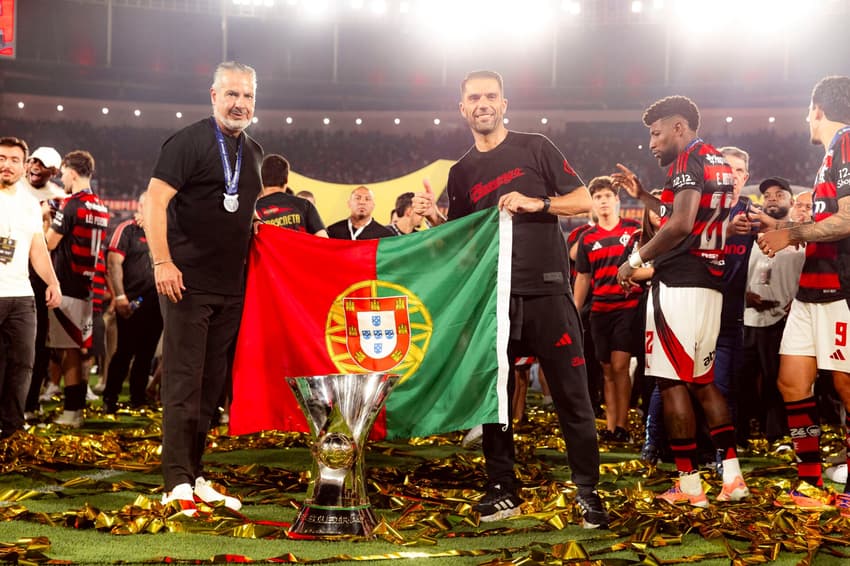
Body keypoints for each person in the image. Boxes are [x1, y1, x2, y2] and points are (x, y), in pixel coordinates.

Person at [413, 70, 609, 528]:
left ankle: (587, 492)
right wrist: (433, 218)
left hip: (547, 292)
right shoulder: (460, 172)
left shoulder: (535, 146)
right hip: (494, 300)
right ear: (462, 109)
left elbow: (582, 201)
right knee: (494, 400)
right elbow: (462, 244)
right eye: (473, 98)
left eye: (490, 96)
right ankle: (503, 489)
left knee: (572, 398)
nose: (482, 103)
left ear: (504, 104)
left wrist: (536, 203)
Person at [614, 95, 750, 507]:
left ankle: (690, 487)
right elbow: (688, 214)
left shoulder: (685, 161)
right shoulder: (717, 162)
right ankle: (732, 478)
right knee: (704, 382)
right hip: (708, 284)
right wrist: (644, 196)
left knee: (671, 382)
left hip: (679, 285)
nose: (651, 143)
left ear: (678, 128)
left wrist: (633, 260)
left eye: (656, 134)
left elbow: (681, 224)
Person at [145, 61, 263, 516]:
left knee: (211, 387)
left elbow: (239, 215)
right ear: (213, 95)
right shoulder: (187, 141)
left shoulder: (253, 151)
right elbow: (154, 200)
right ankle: (175, 481)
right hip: (184, 283)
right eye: (232, 94)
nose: (240, 103)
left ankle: (195, 474)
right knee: (183, 382)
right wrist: (162, 261)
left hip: (231, 288)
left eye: (248, 96)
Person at [757, 75, 850, 515]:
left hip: (840, 290)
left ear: (817, 109)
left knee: (847, 386)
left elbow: (849, 219)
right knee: (792, 384)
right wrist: (794, 232)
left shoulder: (847, 141)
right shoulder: (831, 155)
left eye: (806, 111)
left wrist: (790, 231)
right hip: (810, 292)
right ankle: (811, 483)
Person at [0, 137, 62, 438]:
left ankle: (12, 429)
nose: (6, 164)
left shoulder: (29, 204)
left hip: (22, 296)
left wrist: (52, 281)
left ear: (24, 166)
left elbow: (38, 248)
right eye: (1, 158)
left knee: (23, 364)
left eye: (14, 159)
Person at [573, 176, 641, 442]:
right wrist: (574, 310)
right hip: (600, 310)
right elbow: (582, 278)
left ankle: (623, 425)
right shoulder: (587, 238)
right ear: (593, 203)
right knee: (606, 370)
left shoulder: (634, 230)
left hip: (628, 306)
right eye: (598, 197)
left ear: (617, 200)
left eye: (607, 196)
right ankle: (612, 427)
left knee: (620, 365)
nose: (603, 201)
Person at [46, 150, 109, 428]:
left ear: (72, 172)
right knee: (78, 350)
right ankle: (77, 409)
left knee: (69, 351)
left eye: (62, 174)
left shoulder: (71, 204)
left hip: (67, 285)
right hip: (87, 287)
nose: (61, 179)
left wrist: (46, 218)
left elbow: (49, 243)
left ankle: (73, 411)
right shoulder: (100, 206)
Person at [740, 177, 804, 445]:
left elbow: (812, 271)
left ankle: (777, 434)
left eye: (779, 194)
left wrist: (800, 300)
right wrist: (743, 295)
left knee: (777, 379)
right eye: (767, 195)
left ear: (791, 201)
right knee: (742, 380)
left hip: (784, 318)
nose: (772, 198)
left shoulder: (801, 235)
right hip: (748, 317)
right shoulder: (749, 237)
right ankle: (742, 432)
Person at [102, 193, 163, 414]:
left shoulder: (164, 231)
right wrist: (119, 296)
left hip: (156, 302)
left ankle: (138, 398)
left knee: (146, 353)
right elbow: (113, 262)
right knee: (125, 351)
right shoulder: (127, 229)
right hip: (131, 301)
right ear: (140, 206)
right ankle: (110, 397)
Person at [20, 146, 65, 419]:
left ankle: (30, 400)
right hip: (10, 273)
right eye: (33, 160)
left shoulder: (59, 198)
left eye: (42, 164)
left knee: (36, 343)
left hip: (38, 277)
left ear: (54, 171)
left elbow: (50, 245)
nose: (35, 166)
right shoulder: (11, 188)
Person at [255, 154, 327, 236]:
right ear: (286, 180)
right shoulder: (304, 205)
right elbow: (323, 240)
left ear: (261, 180)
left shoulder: (252, 212)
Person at [326, 186, 393, 240]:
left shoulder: (385, 236)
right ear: (349, 204)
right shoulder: (332, 231)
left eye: (367, 199)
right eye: (357, 198)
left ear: (373, 206)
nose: (362, 202)